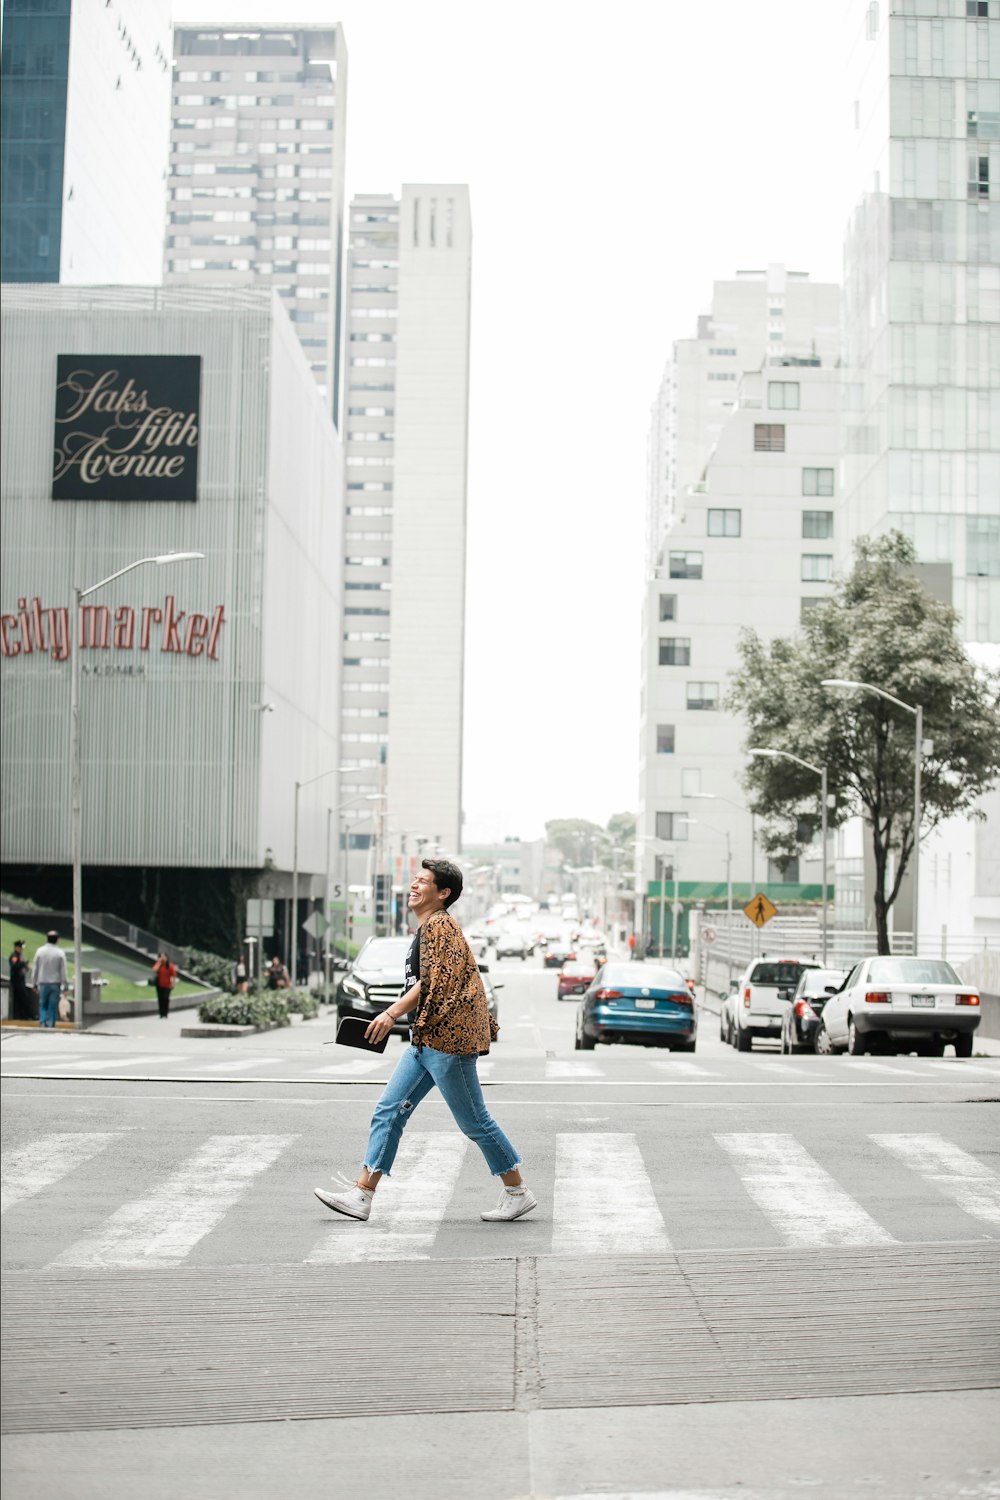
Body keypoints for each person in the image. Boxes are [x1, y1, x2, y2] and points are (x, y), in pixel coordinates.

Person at [314, 858, 536, 1224]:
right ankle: (362, 1194)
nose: (414, 886)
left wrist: (390, 1014)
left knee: (475, 1122)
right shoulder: (428, 929)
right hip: (425, 1040)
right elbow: (429, 980)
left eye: (423, 881)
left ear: (443, 892)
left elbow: (432, 982)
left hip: (447, 1042)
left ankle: (517, 1192)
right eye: (413, 880)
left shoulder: (440, 926)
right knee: (389, 1110)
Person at [30, 932, 68, 1029]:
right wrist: (65, 985)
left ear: (47, 939)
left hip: (43, 982)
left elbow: (36, 969)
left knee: (43, 1004)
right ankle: (51, 1024)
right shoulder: (60, 953)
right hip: (55, 983)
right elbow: (63, 970)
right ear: (57, 940)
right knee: (53, 1005)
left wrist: (34, 983)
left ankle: (42, 1022)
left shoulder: (40, 951)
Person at [8, 939, 32, 1019]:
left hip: (21, 980)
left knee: (23, 998)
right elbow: (14, 966)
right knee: (21, 999)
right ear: (17, 947)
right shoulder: (14, 956)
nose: (22, 949)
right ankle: (24, 1016)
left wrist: (26, 966)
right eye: (21, 947)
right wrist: (22, 964)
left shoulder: (20, 956)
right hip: (16, 981)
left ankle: (24, 1016)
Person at [150, 951, 177, 1019]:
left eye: (164, 957)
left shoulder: (170, 966)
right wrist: (159, 962)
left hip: (167, 986)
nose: (163, 958)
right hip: (159, 985)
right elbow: (154, 970)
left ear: (167, 957)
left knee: (166, 999)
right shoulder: (159, 965)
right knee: (160, 999)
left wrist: (173, 983)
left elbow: (173, 975)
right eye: (161, 957)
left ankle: (165, 1013)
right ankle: (161, 1014)